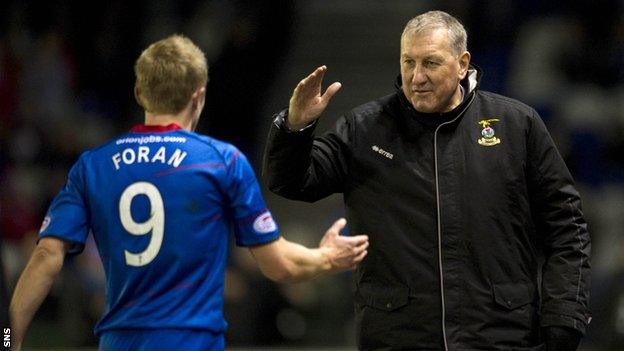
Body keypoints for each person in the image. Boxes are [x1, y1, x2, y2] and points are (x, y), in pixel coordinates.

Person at [9, 34, 369, 351]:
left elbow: (46, 256)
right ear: (199, 96)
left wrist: (7, 338)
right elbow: (279, 265)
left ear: (139, 92)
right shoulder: (221, 161)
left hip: (119, 342)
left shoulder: (93, 165)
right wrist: (327, 258)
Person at [263, 10, 590, 351]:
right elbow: (291, 182)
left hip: (502, 335)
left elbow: (567, 228)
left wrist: (564, 320)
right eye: (408, 62)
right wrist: (294, 129)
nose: (416, 77)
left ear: (462, 64)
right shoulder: (364, 129)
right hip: (397, 337)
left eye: (430, 63)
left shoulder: (516, 125)